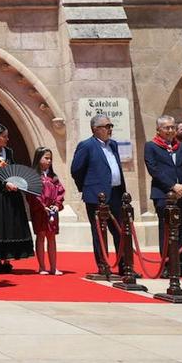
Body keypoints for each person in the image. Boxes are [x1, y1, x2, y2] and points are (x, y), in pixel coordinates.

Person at [71, 114, 126, 274]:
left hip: (116, 194)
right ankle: (103, 266)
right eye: (106, 126)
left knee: (120, 231)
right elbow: (76, 170)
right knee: (99, 233)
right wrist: (88, 188)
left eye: (111, 126)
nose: (110, 129)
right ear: (95, 129)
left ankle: (124, 266)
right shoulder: (86, 145)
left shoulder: (113, 145)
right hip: (96, 196)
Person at [143, 115, 182, 277]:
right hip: (164, 194)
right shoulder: (151, 146)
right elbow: (154, 169)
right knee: (166, 229)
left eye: (173, 127)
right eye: (167, 128)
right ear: (158, 130)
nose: (170, 131)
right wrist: (173, 186)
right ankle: (168, 264)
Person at [0, 123, 34, 273]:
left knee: (9, 225)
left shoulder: (8, 152)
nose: (7, 139)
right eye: (4, 136)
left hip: (11, 195)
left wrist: (18, 181)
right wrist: (4, 184)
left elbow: (12, 169)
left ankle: (7, 258)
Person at [27, 147, 65, 275]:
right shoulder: (33, 177)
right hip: (40, 211)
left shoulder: (53, 177)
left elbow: (60, 191)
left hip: (52, 211)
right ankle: (42, 266)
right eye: (46, 158)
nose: (49, 161)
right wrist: (42, 205)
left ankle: (54, 267)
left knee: (52, 237)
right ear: (38, 159)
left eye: (50, 159)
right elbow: (32, 194)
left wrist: (57, 204)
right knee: (41, 235)